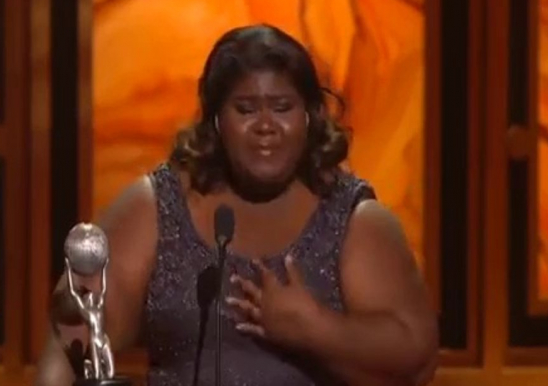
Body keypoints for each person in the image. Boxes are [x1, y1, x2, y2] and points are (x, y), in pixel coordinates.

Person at [35, 24, 438, 386]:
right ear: (215, 122)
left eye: (282, 108)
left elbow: (414, 359)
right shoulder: (157, 205)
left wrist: (315, 329)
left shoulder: (354, 220)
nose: (265, 125)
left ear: (310, 118)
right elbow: (75, 328)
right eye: (245, 109)